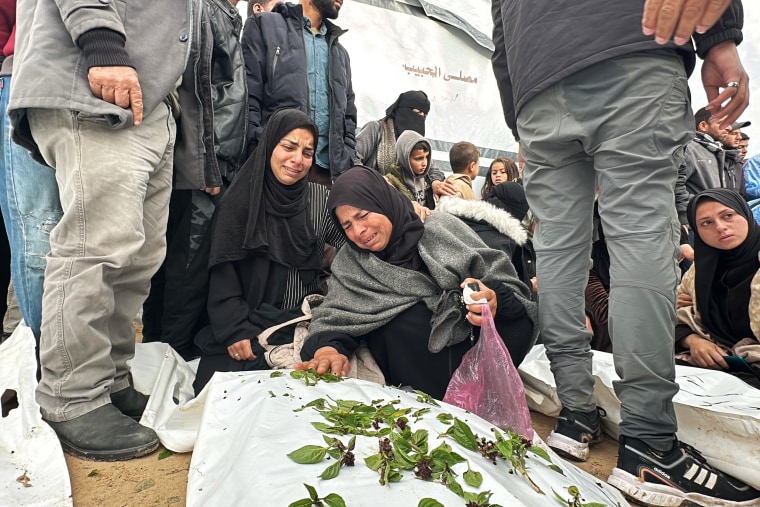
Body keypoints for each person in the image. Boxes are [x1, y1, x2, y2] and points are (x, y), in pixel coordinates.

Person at [492, 0, 760, 504]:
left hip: (536, 81)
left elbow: (500, 33)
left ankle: (574, 415)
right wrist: (720, 38)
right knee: (639, 239)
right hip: (629, 42)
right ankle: (650, 442)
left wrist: (519, 115)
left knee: (556, 252)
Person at [8, 0, 226, 461]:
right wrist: (102, 45)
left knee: (138, 256)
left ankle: (107, 378)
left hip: (147, 99)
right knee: (97, 247)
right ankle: (72, 396)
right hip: (97, 81)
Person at [295, 166, 538, 400]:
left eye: (363, 215)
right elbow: (339, 315)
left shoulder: (440, 228)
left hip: (477, 374)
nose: (359, 230)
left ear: (383, 202)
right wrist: (328, 349)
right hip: (411, 394)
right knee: (405, 321)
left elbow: (509, 288)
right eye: (347, 225)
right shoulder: (352, 262)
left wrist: (492, 299)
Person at [193, 109, 344, 393]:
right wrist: (235, 327)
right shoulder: (240, 201)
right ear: (269, 145)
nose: (297, 160)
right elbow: (223, 273)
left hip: (302, 322)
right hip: (248, 324)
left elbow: (353, 241)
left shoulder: (320, 200)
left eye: (307, 153)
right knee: (225, 395)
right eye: (288, 147)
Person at [141, 0, 248, 361]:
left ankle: (160, 348)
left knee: (177, 263)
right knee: (186, 269)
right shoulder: (204, 9)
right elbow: (198, 91)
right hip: (204, 165)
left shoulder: (228, 14)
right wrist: (208, 164)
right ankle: (171, 352)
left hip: (209, 162)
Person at [242, 0, 356, 185]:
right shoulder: (265, 25)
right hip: (274, 168)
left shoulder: (340, 52)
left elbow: (349, 115)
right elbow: (248, 97)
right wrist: (258, 150)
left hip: (326, 175)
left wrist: (347, 157)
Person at [675, 189, 760, 388]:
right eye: (706, 223)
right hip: (718, 373)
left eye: (728, 216)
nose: (720, 227)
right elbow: (670, 318)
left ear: (745, 213)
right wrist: (692, 340)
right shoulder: (699, 272)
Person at [354, 90, 457, 198]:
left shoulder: (414, 139)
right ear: (403, 109)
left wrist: (435, 182)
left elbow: (432, 169)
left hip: (409, 204)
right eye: (417, 113)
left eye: (424, 115)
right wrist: (375, 180)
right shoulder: (376, 129)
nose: (420, 118)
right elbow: (353, 158)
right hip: (374, 198)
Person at [385, 130, 437, 210]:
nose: (425, 163)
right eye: (418, 159)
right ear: (404, 158)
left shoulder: (429, 179)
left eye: (427, 157)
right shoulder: (391, 182)